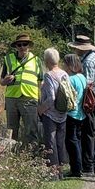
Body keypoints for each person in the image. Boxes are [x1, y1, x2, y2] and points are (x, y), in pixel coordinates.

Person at [69, 35, 95, 173]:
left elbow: (87, 84)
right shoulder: (93, 57)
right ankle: (91, 163)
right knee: (94, 133)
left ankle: (90, 164)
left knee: (89, 134)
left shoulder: (88, 61)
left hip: (92, 104)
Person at [1, 33, 42, 146]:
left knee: (31, 129)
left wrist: (40, 101)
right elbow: (1, 81)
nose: (22, 47)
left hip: (30, 98)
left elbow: (40, 81)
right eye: (19, 45)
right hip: (12, 99)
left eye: (25, 44)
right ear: (16, 46)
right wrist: (6, 80)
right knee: (11, 130)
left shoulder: (36, 60)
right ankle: (11, 154)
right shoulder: (8, 59)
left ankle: (32, 156)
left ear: (29, 45)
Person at [37, 48, 70, 177]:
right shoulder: (64, 74)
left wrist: (41, 109)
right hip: (63, 113)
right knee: (60, 142)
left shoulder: (49, 75)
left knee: (50, 142)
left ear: (46, 61)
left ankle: (53, 172)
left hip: (50, 114)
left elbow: (51, 98)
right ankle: (61, 170)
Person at [61, 53, 87, 178]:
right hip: (81, 113)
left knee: (71, 142)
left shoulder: (70, 79)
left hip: (72, 113)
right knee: (77, 140)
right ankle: (78, 167)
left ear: (69, 65)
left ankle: (76, 169)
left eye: (64, 63)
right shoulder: (82, 77)